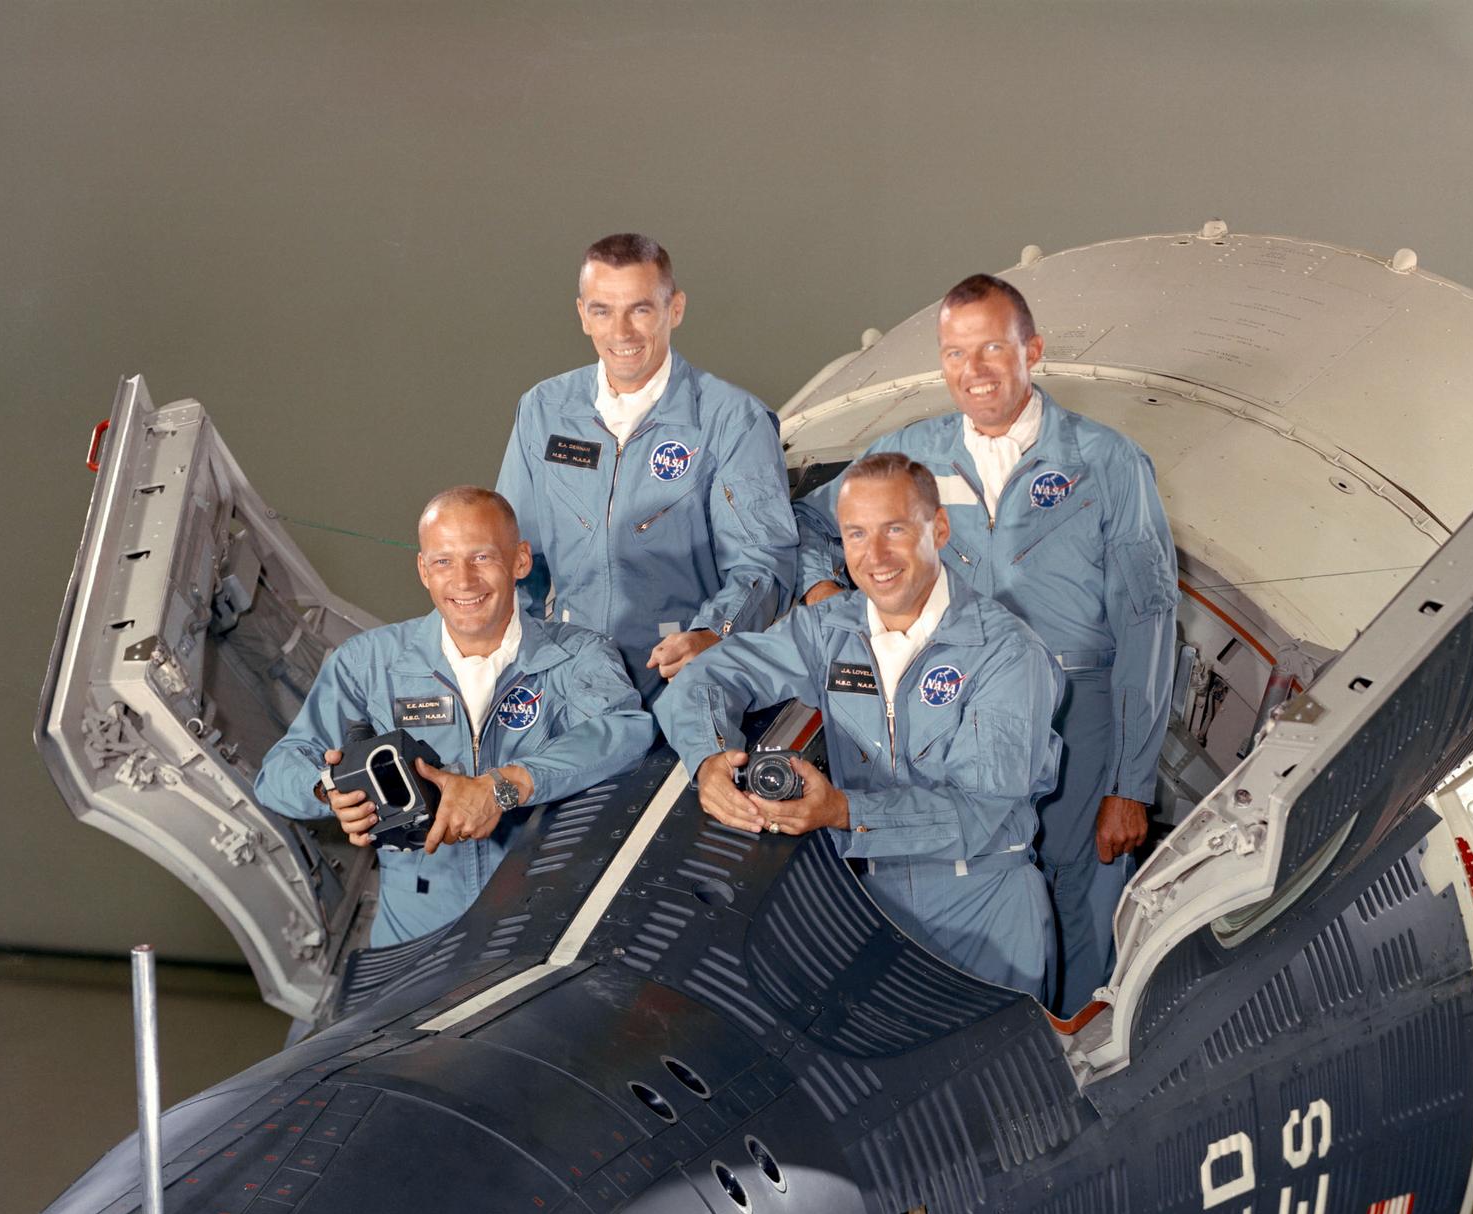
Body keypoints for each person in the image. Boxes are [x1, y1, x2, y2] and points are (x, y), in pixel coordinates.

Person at [795, 274, 1177, 1012]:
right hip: (950, 700)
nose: (974, 371)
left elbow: (1148, 621)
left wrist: (1130, 784)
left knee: (1081, 892)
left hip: (1079, 703)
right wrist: (824, 594)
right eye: (955, 354)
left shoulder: (1108, 462)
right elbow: (809, 525)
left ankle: (1067, 1049)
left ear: (1032, 351)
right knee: (955, 873)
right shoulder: (912, 454)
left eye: (993, 349)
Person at [658, 454, 1063, 998]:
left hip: (983, 908)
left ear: (939, 529)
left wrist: (844, 812)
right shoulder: (828, 629)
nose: (875, 557)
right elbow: (706, 675)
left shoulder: (1007, 654)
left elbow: (977, 811)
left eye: (895, 530)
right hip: (865, 907)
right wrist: (710, 758)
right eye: (856, 534)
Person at [256, 487, 656, 947]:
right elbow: (277, 772)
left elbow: (624, 731)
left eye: (482, 557)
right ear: (423, 570)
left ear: (520, 561)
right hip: (414, 931)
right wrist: (326, 790)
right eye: (443, 561)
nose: (464, 581)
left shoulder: (578, 654)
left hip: (542, 922)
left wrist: (505, 786)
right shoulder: (367, 662)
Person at [494, 232, 797, 701]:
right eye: (602, 311)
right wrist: (516, 665)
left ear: (675, 309)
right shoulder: (544, 411)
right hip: (570, 680)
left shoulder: (731, 420)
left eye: (640, 309)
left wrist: (713, 633)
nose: (622, 333)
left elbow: (762, 560)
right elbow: (514, 560)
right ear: (582, 315)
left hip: (677, 677)